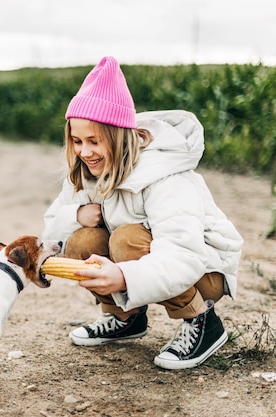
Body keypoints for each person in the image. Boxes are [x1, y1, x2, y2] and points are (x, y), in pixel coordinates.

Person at [41, 56, 243, 370]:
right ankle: (125, 319)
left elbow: (183, 255)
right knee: (83, 240)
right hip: (159, 264)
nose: (84, 151)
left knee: (126, 238)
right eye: (77, 141)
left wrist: (122, 275)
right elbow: (51, 231)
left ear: (118, 135)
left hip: (203, 268)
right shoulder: (87, 172)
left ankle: (202, 323)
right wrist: (75, 216)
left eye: (94, 141)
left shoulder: (165, 176)